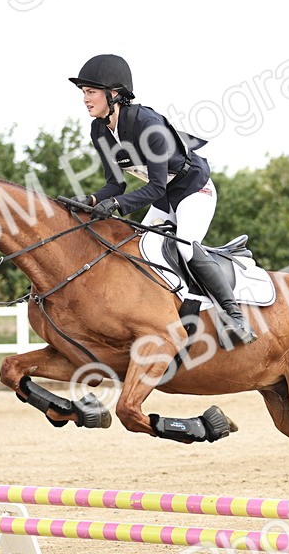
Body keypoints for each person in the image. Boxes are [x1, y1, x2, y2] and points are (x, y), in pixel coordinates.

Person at [65, 53, 256, 346]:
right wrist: (90, 200)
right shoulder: (99, 129)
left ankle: (235, 317)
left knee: (185, 249)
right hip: (165, 198)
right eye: (84, 93)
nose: (85, 99)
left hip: (193, 191)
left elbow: (153, 187)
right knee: (138, 251)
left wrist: (115, 206)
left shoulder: (147, 124)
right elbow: (115, 184)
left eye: (90, 92)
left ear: (113, 93)